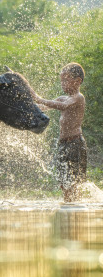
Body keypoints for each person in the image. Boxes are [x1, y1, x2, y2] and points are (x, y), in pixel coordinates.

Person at [33, 63, 87, 202]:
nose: (62, 84)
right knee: (63, 182)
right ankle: (70, 204)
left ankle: (75, 208)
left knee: (74, 182)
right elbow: (43, 107)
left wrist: (38, 97)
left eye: (66, 80)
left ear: (78, 81)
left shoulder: (78, 98)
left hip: (75, 144)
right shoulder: (63, 98)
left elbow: (62, 106)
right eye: (61, 80)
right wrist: (28, 105)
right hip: (63, 144)